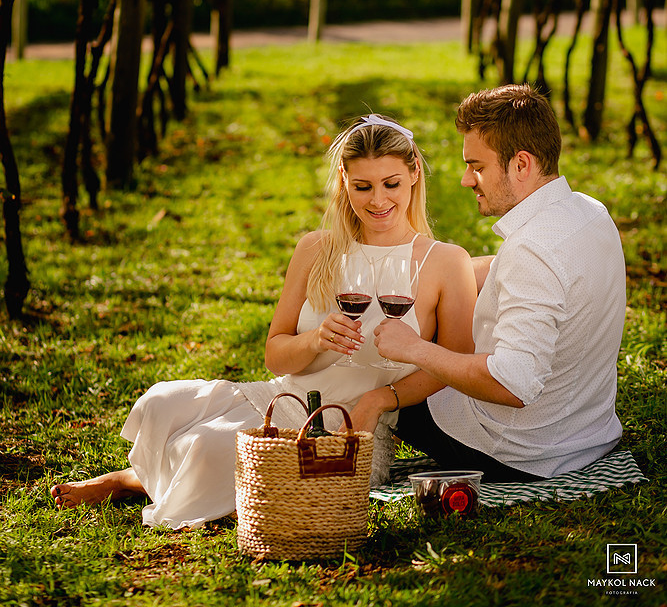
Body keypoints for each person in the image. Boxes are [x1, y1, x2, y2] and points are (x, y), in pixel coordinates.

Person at [51, 113, 477, 528]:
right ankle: (144, 479)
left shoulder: (446, 262)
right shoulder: (316, 248)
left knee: (206, 448)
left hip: (349, 427)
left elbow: (453, 365)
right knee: (162, 403)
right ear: (344, 180)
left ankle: (133, 482)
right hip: (284, 399)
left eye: (391, 184)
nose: (378, 200)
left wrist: (380, 399)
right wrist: (314, 341)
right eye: (362, 186)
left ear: (415, 173)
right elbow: (276, 355)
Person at [351, 85, 626, 482]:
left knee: (383, 371)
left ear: (521, 164)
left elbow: (511, 384)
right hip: (586, 434)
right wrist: (436, 272)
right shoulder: (588, 212)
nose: (466, 180)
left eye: (477, 166)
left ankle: (355, 450)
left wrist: (415, 348)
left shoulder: (531, 251)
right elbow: (529, 274)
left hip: (520, 451)